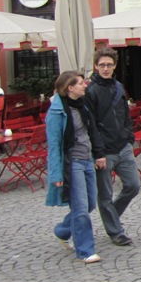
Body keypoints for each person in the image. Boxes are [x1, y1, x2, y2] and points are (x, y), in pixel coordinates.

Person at [46, 71, 104, 264]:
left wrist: (98, 154)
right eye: (81, 83)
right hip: (73, 163)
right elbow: (54, 144)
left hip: (87, 159)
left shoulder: (83, 106)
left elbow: (91, 130)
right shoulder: (57, 112)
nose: (85, 85)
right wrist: (55, 173)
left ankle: (61, 231)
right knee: (80, 208)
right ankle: (86, 251)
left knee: (89, 204)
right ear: (70, 87)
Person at [85, 47, 139, 247]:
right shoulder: (91, 91)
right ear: (96, 66)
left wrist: (129, 136)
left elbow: (125, 114)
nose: (105, 68)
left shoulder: (118, 86)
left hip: (123, 146)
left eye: (109, 65)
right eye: (102, 65)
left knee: (133, 185)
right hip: (104, 151)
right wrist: (98, 152)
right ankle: (116, 232)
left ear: (114, 65)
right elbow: (90, 124)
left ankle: (111, 216)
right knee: (105, 194)